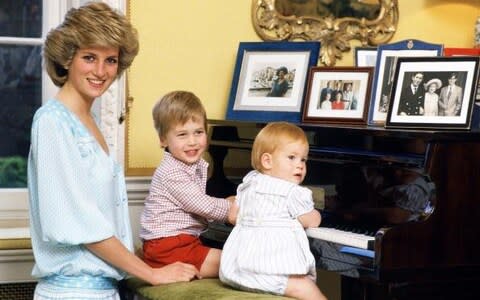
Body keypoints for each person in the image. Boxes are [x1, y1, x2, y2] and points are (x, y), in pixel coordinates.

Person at [27, 3, 199, 299]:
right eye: (89, 57)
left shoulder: (89, 121)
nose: (100, 71)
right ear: (67, 58)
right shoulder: (52, 122)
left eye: (110, 60)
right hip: (72, 293)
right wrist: (152, 273)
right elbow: (80, 225)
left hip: (101, 291)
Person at [220, 122, 327, 300]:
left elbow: (232, 216)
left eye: (303, 159)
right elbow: (311, 221)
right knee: (306, 288)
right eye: (292, 157)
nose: (300, 165)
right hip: (267, 272)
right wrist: (316, 213)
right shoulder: (293, 192)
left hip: (235, 270)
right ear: (267, 161)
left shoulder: (249, 183)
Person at [140, 90, 235, 279]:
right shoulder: (172, 172)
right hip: (168, 246)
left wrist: (227, 203)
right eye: (182, 134)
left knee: (235, 259)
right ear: (163, 140)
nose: (192, 142)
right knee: (236, 263)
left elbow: (201, 203)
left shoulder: (191, 165)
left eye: (198, 132)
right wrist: (233, 209)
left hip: (182, 242)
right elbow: (204, 206)